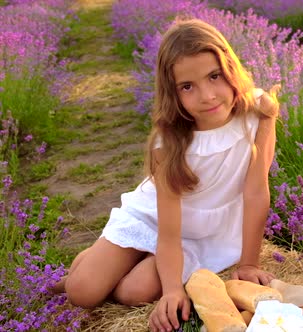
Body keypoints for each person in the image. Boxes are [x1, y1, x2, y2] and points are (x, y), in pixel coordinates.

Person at [52, 18, 280, 332]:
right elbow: (169, 230)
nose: (208, 95)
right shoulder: (170, 142)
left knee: (135, 292)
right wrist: (173, 289)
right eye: (188, 86)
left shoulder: (260, 112)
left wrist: (249, 263)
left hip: (205, 232)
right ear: (173, 93)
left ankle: (120, 264)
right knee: (82, 292)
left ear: (231, 68)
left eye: (215, 76)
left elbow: (256, 191)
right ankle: (97, 261)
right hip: (156, 218)